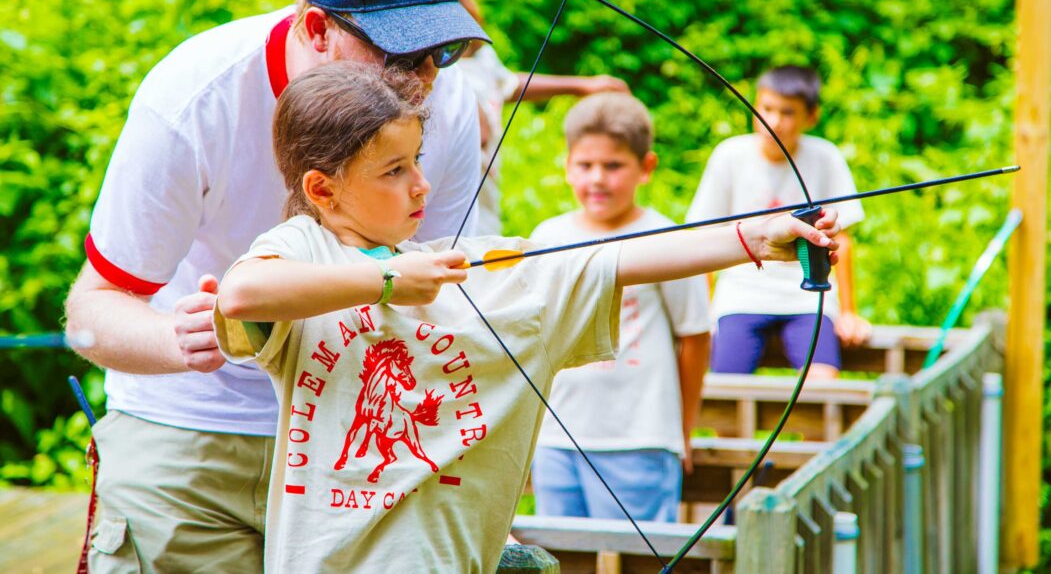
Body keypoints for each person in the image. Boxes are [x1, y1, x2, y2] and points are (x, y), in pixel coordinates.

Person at [212, 61, 840, 572]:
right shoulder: (307, 252)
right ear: (323, 190)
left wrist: (752, 237)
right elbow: (242, 293)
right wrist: (387, 280)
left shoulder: (466, 275)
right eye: (395, 170)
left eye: (419, 162)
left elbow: (617, 259)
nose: (422, 186)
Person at [63, 0, 489, 570]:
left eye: (442, 49)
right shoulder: (196, 97)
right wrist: (176, 343)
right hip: (193, 437)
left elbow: (434, 294)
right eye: (398, 54)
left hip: (356, 434)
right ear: (317, 29)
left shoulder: (442, 101)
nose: (424, 77)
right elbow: (93, 310)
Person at [528, 93, 710, 522]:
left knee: (636, 560)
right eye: (585, 165)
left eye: (614, 166)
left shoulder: (667, 238)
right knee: (563, 558)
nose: (598, 179)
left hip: (640, 438)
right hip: (557, 437)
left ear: (646, 167)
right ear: (567, 164)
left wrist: (680, 432)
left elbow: (695, 335)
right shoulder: (547, 236)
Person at [686, 66, 869, 380]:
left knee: (822, 386)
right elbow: (703, 236)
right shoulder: (729, 155)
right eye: (767, 109)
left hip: (808, 296)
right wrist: (702, 313)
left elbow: (844, 239)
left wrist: (850, 313)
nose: (774, 121)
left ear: (811, 117)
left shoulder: (826, 157)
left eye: (788, 112)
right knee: (726, 387)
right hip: (740, 294)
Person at [457, 0, 630, 234]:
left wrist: (582, 86)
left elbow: (508, 84)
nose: (475, 15)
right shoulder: (434, 71)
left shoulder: (481, 56)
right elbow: (479, 135)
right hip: (452, 208)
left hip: (484, 203)